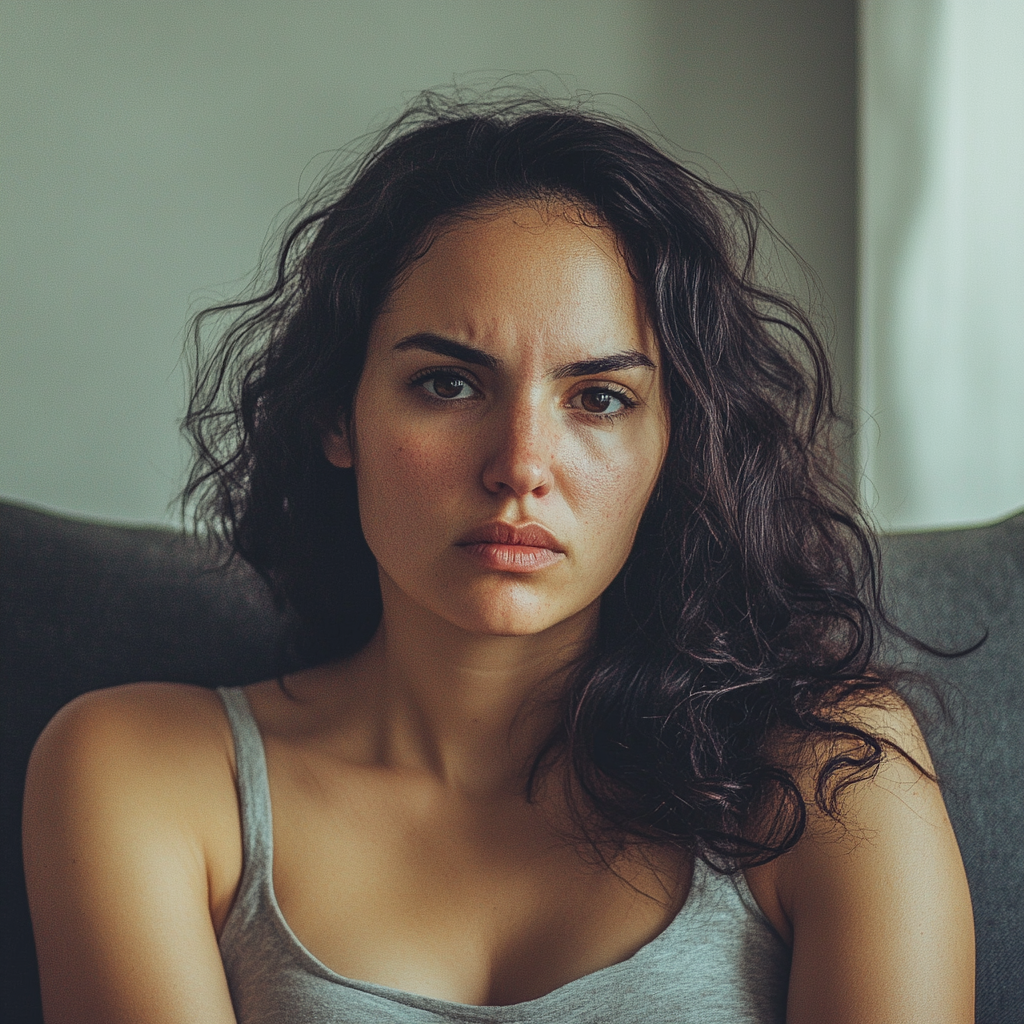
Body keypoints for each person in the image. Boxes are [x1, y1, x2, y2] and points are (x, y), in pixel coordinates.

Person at [22, 93, 975, 1023]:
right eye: (447, 384)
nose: (520, 467)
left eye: (598, 398)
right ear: (334, 414)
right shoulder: (145, 774)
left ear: (675, 444)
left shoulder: (834, 774)